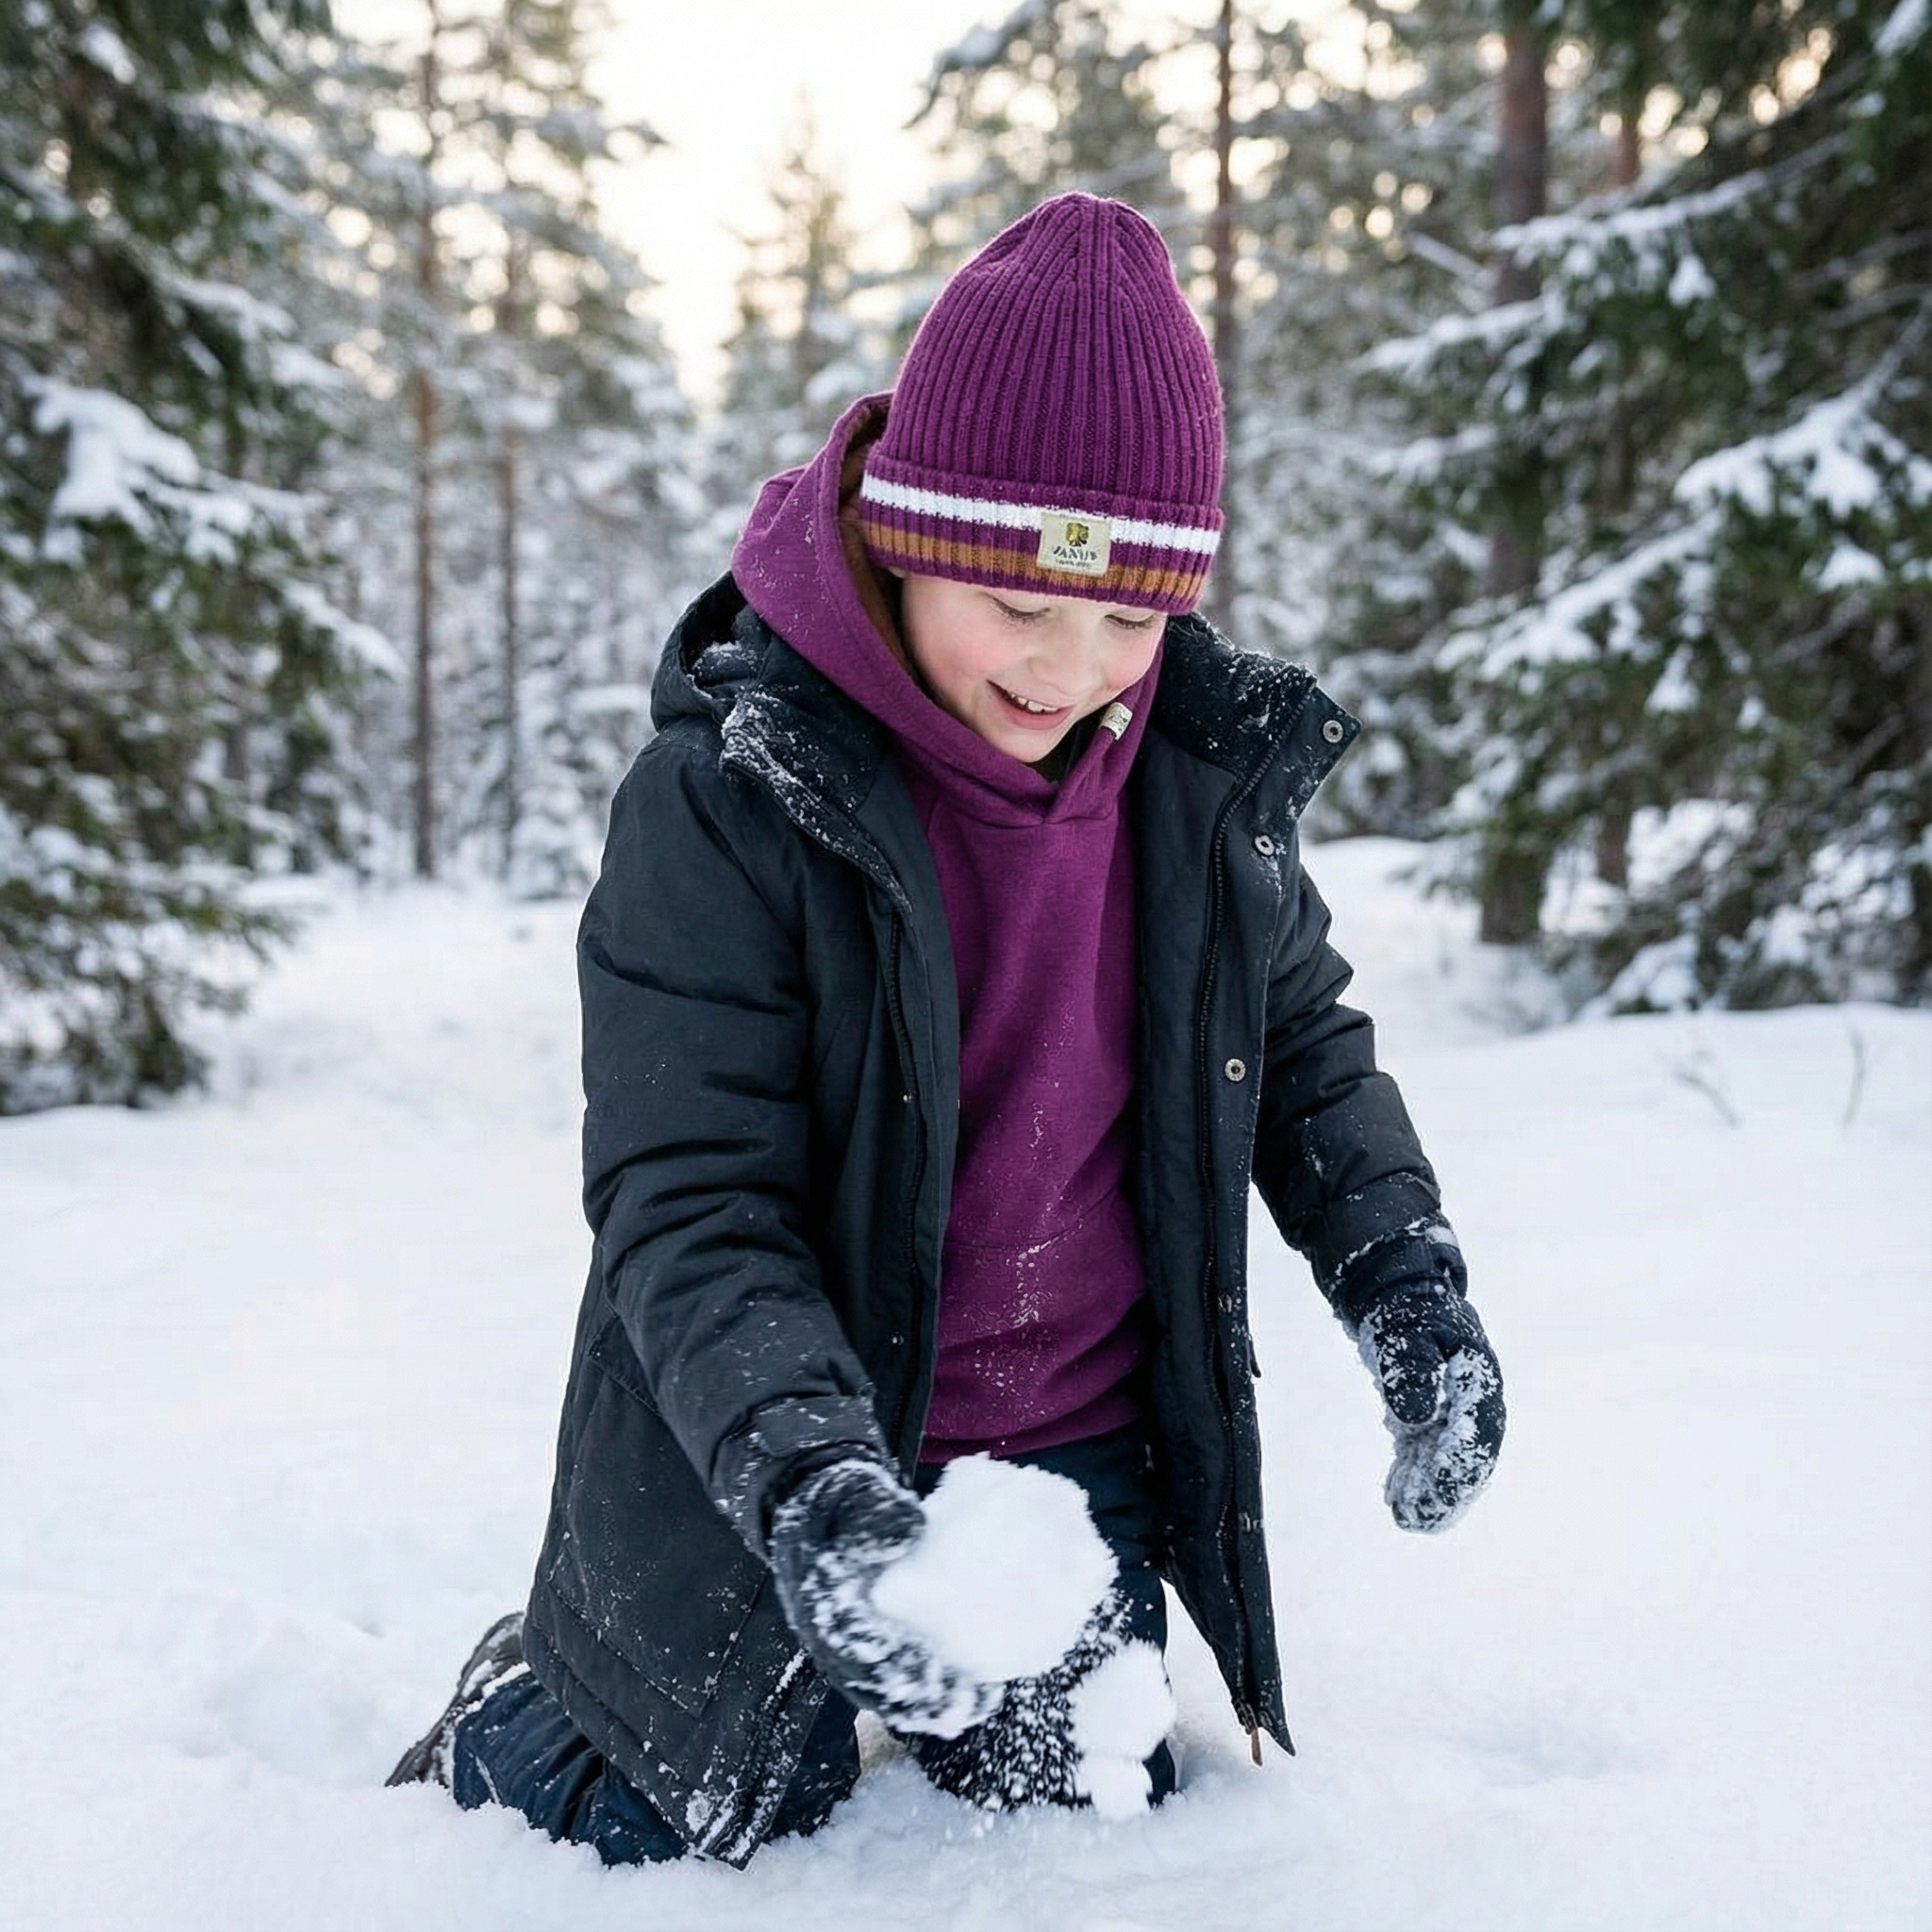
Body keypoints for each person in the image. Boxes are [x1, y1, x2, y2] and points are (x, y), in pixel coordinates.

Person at [386, 192, 1506, 1867]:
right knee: (689, 1816)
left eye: (1131, 618)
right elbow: (693, 1202)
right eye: (1022, 604)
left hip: (1062, 1436)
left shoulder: (1190, 789)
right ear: (905, 536)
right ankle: (532, 1701)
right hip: (779, 1436)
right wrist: (818, 1490)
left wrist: (1411, 1291)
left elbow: (1308, 1054)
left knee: (1089, 1814)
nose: (1072, 670)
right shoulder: (734, 794)